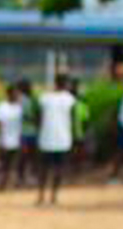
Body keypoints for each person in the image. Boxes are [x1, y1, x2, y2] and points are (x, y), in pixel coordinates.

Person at [35, 75, 78, 206]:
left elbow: (38, 118)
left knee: (44, 168)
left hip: (46, 138)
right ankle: (53, 196)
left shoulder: (44, 98)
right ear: (66, 83)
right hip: (63, 138)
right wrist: (75, 137)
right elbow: (73, 119)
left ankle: (41, 196)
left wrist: (40, 132)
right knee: (59, 168)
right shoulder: (70, 99)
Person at [0, 85, 24, 190]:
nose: (17, 96)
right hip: (4, 140)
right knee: (3, 164)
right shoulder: (1, 107)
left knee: (10, 165)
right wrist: (1, 140)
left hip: (15, 139)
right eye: (15, 93)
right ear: (9, 94)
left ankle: (2, 185)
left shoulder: (19, 108)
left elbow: (20, 125)